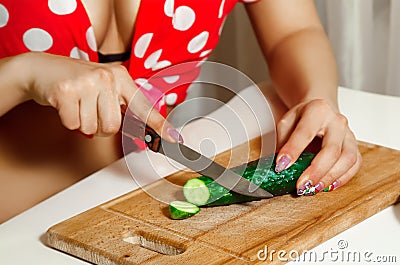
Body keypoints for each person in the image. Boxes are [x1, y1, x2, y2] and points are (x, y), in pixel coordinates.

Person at [0, 0, 361, 222]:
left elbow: (293, 31)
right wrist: (21, 74)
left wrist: (317, 101)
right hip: (16, 223)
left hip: (144, 196)